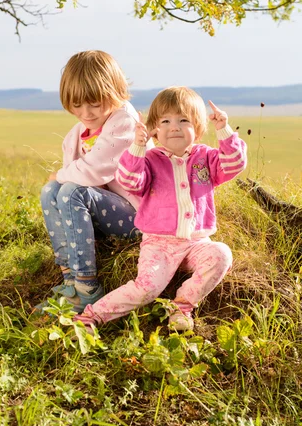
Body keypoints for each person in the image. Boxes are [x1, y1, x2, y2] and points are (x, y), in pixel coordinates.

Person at [74, 86, 247, 332]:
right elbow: (129, 180)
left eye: (183, 120)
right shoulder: (149, 161)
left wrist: (224, 130)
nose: (174, 127)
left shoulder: (206, 158)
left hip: (197, 242)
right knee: (146, 287)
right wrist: (137, 147)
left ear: (197, 128)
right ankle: (92, 316)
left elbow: (234, 164)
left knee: (221, 254)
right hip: (159, 244)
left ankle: (182, 305)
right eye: (165, 121)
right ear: (155, 129)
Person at [38, 50, 153, 313]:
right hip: (110, 209)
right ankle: (70, 280)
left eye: (95, 103)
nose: (86, 113)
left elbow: (93, 170)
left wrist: (60, 174)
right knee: (50, 191)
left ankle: (87, 287)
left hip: (140, 215)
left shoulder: (124, 122)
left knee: (68, 190)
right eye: (77, 105)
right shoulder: (80, 132)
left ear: (114, 93)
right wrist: (59, 180)